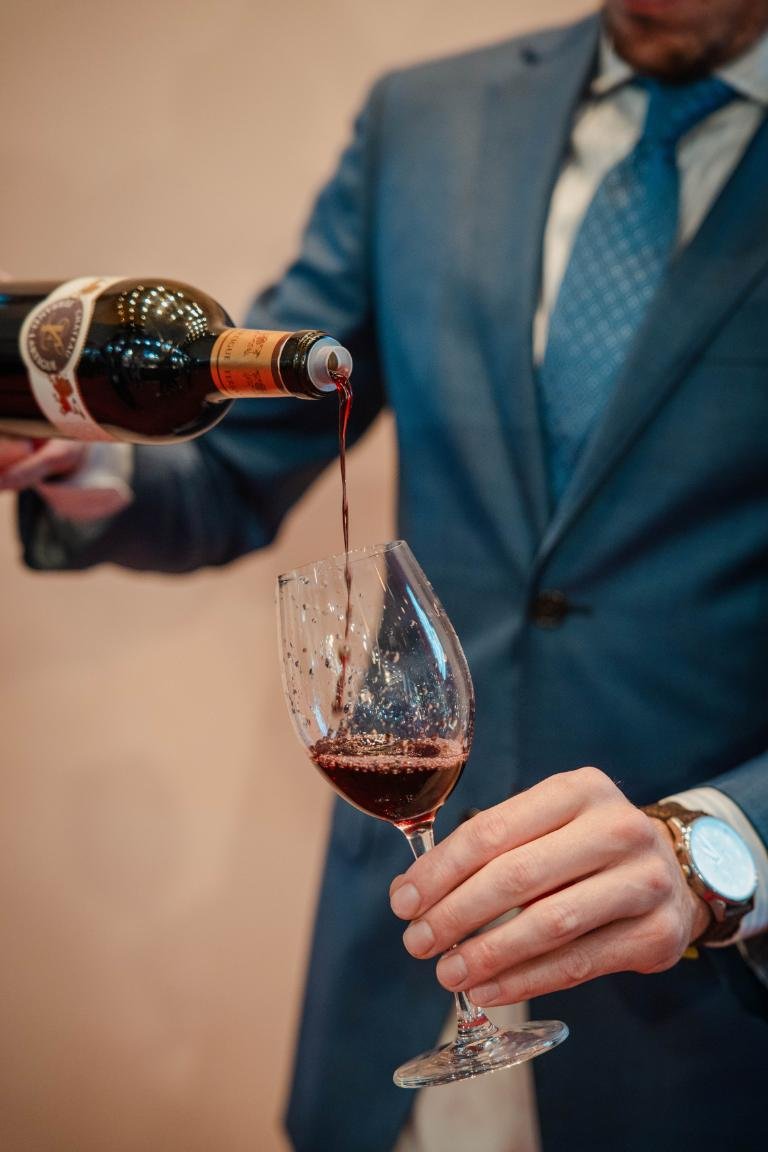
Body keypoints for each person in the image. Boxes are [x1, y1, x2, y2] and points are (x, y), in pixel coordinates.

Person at [4, 0, 768, 1148]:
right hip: (397, 971)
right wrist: (82, 457)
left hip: (697, 1013)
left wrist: (723, 852)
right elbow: (231, 464)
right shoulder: (428, 118)